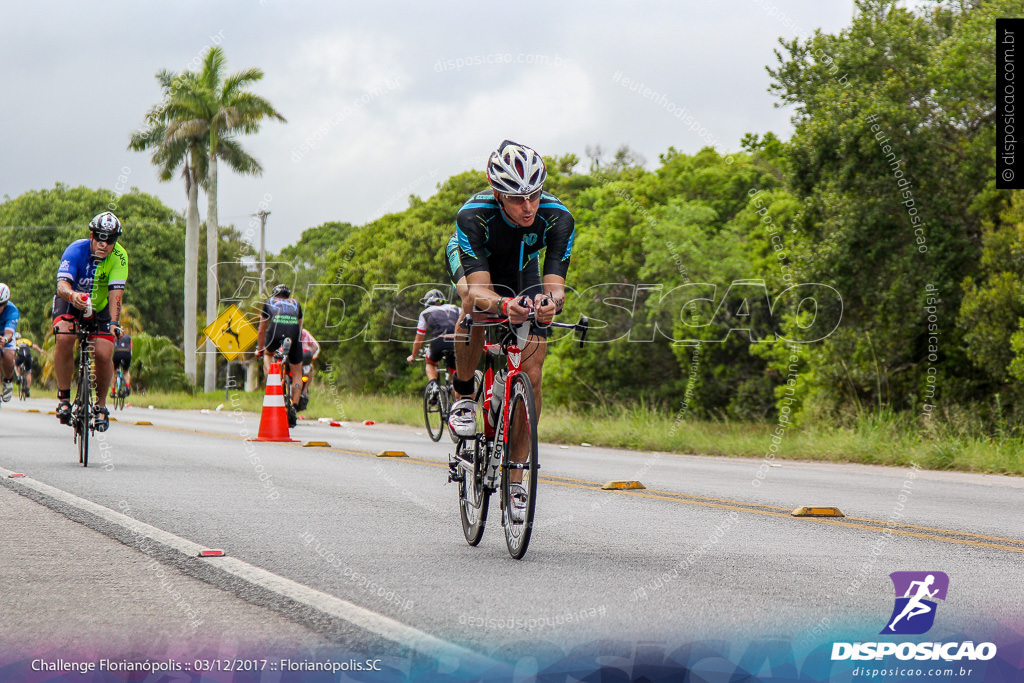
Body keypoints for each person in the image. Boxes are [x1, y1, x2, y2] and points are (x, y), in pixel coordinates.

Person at [444, 140, 575, 521]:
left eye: (534, 195)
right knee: (473, 303)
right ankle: (465, 395)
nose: (528, 206)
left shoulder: (558, 217)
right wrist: (503, 306)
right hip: (479, 269)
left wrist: (549, 306)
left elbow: (555, 287)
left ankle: (516, 479)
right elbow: (483, 290)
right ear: (498, 194)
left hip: (523, 271)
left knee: (532, 378)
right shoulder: (473, 215)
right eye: (518, 199)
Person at [52, 212, 128, 431]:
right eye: (100, 237)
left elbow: (116, 295)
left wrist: (114, 323)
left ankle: (101, 406)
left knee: (104, 353)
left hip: (101, 306)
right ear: (91, 235)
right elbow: (62, 285)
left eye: (110, 240)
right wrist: (73, 296)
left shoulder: (120, 257)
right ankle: (64, 398)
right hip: (71, 301)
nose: (104, 244)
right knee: (65, 337)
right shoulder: (75, 250)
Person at [255, 283, 303, 423]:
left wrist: (260, 349)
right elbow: (300, 326)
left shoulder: (269, 302)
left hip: (275, 331)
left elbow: (261, 329)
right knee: (297, 373)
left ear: (274, 294)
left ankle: (272, 379)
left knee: (268, 355)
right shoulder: (296, 303)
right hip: (293, 333)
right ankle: (294, 405)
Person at [406, 288, 459, 389]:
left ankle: (434, 385)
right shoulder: (456, 308)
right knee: (455, 369)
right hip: (456, 341)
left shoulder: (425, 313)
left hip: (439, 341)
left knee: (430, 362)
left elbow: (419, 339)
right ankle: (454, 388)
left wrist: (413, 356)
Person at [0, 283, 20, 402]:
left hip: (6, 337)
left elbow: (9, 333)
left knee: (8, 356)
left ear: (6, 303)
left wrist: (4, 340)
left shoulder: (12, 310)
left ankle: (8, 381)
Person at [296, 327, 320, 411]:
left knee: (310, 367)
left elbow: (315, 346)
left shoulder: (304, 333)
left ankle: (305, 390)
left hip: (303, 360)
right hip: (290, 360)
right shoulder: (283, 331)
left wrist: (310, 355)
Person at [14, 333, 43, 397]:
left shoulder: (14, 342)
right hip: (28, 357)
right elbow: (34, 346)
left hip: (20, 357)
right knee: (28, 372)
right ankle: (27, 389)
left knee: (16, 365)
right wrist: (40, 350)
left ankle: (19, 377)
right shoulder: (26, 340)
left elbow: (13, 351)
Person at [110, 331, 133, 397]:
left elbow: (112, 347)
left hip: (117, 353)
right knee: (126, 371)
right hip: (127, 353)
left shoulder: (114, 337)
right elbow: (131, 348)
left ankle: (113, 391)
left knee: (114, 372)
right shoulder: (128, 337)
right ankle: (127, 386)